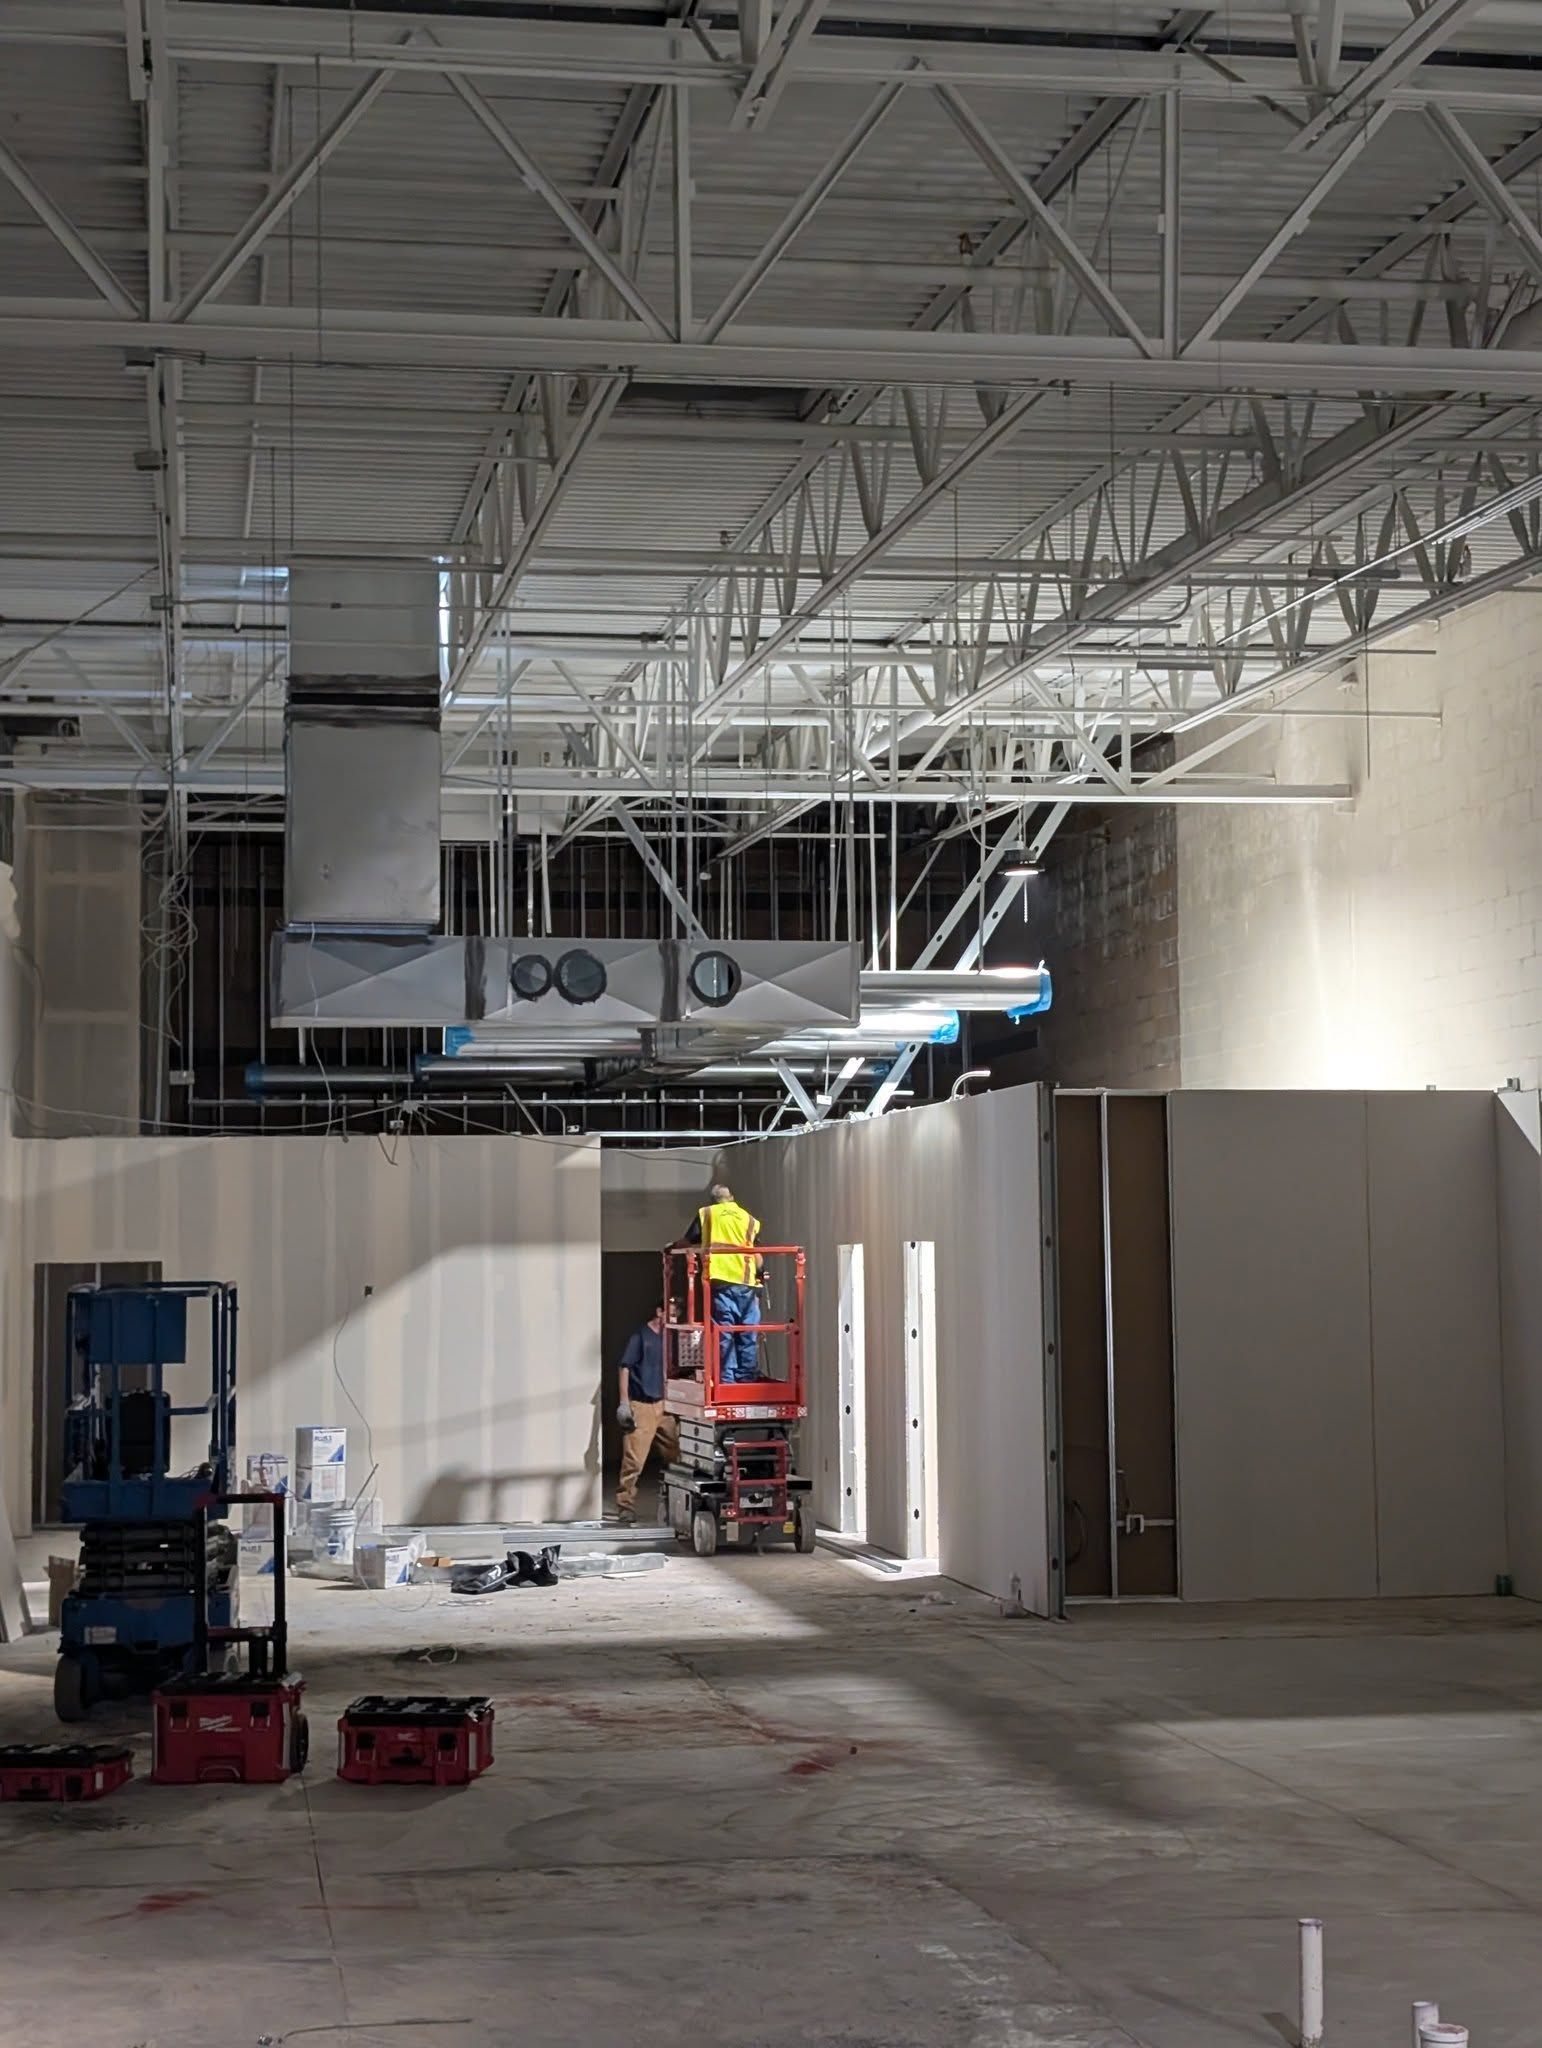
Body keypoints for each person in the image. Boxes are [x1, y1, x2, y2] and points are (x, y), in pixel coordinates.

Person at [682, 1182, 764, 1384]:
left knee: (724, 1332)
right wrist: (760, 1274)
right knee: (748, 1331)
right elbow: (758, 1253)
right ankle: (747, 1378)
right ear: (732, 1198)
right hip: (746, 1282)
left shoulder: (708, 1213)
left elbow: (687, 1240)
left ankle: (727, 1378)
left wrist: (672, 1247)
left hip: (721, 1279)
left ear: (713, 1201)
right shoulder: (748, 1219)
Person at [615, 1303, 678, 1525]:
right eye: (671, 1312)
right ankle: (625, 1505)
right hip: (641, 1405)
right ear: (659, 1311)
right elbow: (625, 1367)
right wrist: (624, 1403)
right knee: (634, 1460)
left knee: (677, 1454)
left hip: (665, 1405)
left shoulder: (671, 1337)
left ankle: (673, 1500)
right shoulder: (640, 1337)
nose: (674, 1317)